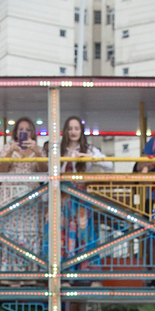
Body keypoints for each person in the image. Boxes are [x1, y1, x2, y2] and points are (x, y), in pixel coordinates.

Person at [44, 116, 108, 278]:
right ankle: (64, 271)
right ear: (65, 131)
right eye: (70, 128)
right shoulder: (58, 149)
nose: (73, 132)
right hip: (62, 196)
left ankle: (86, 270)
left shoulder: (89, 149)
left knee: (83, 231)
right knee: (62, 231)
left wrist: (88, 158)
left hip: (79, 196)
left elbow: (109, 164)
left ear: (81, 131)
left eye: (76, 128)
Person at [0, 117, 46, 280]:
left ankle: (29, 273)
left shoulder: (38, 149)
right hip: (10, 193)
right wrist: (10, 152)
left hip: (30, 193)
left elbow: (43, 171)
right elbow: (1, 170)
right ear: (16, 132)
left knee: (30, 231)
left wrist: (37, 153)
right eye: (21, 129)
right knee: (8, 231)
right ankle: (5, 273)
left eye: (28, 129)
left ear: (32, 133)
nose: (24, 132)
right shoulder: (7, 148)